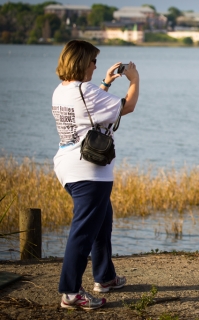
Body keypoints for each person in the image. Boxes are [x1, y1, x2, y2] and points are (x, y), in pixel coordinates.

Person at [52, 40, 140, 309]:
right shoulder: (86, 91)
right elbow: (127, 107)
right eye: (93, 60)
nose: (96, 65)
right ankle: (70, 292)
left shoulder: (63, 90)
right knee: (84, 231)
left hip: (68, 163)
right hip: (88, 171)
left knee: (102, 221)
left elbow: (90, 110)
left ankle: (105, 277)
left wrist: (105, 83)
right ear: (81, 62)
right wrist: (134, 79)